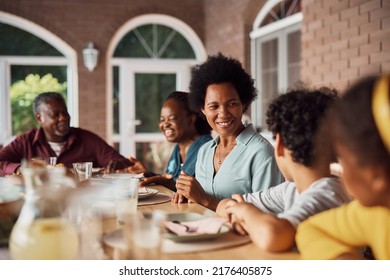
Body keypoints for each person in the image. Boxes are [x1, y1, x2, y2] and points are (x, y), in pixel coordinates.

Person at [216, 86, 351, 252]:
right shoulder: (290, 189)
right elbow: (223, 205)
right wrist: (241, 215)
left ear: (279, 145)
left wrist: (244, 211)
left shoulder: (328, 193)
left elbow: (272, 235)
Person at [173, 53, 284, 210]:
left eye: (232, 104)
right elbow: (199, 204)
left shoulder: (262, 153)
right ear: (203, 109)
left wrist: (205, 200)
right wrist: (187, 195)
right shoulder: (204, 152)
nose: (223, 113)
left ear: (243, 103)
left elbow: (269, 218)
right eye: (214, 106)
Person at [296, 74, 390, 260]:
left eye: (341, 159)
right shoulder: (377, 213)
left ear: (376, 176)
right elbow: (310, 228)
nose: (338, 170)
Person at [0, 92, 132, 176]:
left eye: (65, 112)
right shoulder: (24, 142)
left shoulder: (88, 139)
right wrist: (19, 169)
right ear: (39, 118)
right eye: (55, 114)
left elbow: (121, 161)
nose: (63, 118)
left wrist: (118, 164)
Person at [121, 91, 212, 190]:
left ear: (190, 120)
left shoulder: (206, 147)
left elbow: (194, 190)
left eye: (172, 119)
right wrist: (147, 174)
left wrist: (161, 180)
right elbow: (171, 181)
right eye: (162, 119)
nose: (165, 124)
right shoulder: (178, 148)